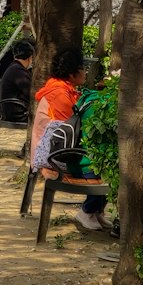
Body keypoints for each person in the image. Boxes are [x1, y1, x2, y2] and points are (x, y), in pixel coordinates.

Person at [31, 47, 107, 231]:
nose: (85, 72)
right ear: (72, 73)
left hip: (58, 148)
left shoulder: (62, 88)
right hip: (55, 154)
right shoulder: (60, 94)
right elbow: (74, 127)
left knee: (105, 161)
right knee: (102, 166)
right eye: (82, 68)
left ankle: (96, 211)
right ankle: (87, 211)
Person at [0, 38, 35, 120]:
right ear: (29, 57)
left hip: (10, 111)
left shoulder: (14, 68)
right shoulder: (18, 71)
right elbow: (31, 92)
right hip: (18, 114)